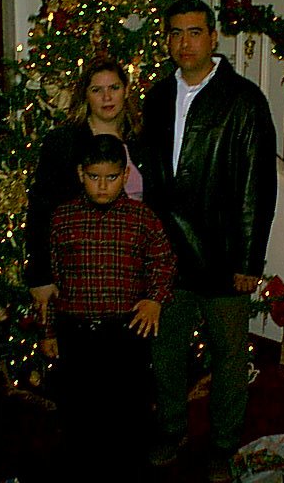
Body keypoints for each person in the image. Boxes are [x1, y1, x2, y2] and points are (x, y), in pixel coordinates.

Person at [142, 0, 277, 481]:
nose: (184, 42)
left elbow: (257, 188)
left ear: (213, 37)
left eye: (194, 32)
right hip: (168, 256)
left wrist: (248, 260)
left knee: (228, 358)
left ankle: (223, 443)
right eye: (175, 33)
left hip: (224, 255)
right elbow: (149, 180)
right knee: (166, 354)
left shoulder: (243, 100)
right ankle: (171, 430)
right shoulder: (156, 98)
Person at [43, 134, 176, 481]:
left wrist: (155, 298)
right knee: (79, 412)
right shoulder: (62, 219)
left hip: (125, 334)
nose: (102, 186)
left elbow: (163, 262)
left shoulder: (143, 219)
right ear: (80, 173)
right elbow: (53, 282)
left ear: (125, 174)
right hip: (77, 334)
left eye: (112, 177)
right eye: (93, 177)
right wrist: (49, 331)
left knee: (128, 413)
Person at [26, 56, 144, 320]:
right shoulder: (63, 143)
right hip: (80, 276)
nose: (107, 97)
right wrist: (40, 276)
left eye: (114, 88)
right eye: (97, 90)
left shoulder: (143, 140)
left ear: (126, 90)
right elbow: (41, 211)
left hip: (132, 279)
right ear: (85, 96)